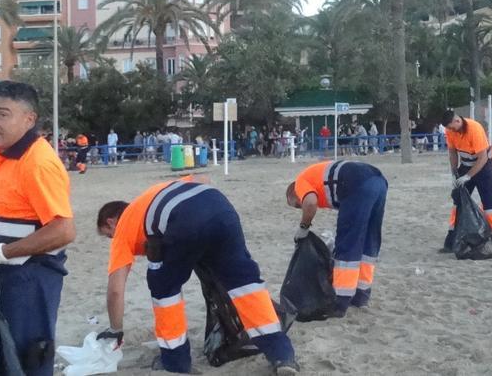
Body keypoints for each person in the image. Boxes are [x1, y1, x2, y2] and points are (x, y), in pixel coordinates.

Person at [96, 177, 299, 374]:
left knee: (164, 290)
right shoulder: (152, 195)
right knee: (245, 285)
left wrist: (116, 329)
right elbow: (204, 179)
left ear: (112, 221)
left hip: (184, 220)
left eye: (108, 234)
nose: (111, 239)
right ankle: (282, 354)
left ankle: (175, 362)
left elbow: (115, 290)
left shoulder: (123, 229)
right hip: (221, 208)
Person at [0, 81, 75, 375]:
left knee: (28, 356)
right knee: (4, 356)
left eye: (2, 114)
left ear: (29, 119)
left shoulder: (36, 162)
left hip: (29, 280)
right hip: (2, 277)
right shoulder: (2, 155)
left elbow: (63, 230)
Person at [286, 160, 386, 315]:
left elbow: (310, 203)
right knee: (369, 240)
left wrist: (303, 227)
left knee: (347, 244)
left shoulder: (300, 182)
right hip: (378, 181)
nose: (301, 207)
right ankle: (361, 295)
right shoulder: (315, 177)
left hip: (356, 184)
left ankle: (340, 301)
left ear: (293, 193)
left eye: (297, 205)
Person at [441, 109, 492, 252]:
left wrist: (468, 176)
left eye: (452, 127)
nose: (451, 131)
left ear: (457, 121)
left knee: (490, 205)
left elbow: (482, 158)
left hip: (483, 166)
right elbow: (452, 152)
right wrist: (455, 173)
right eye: (449, 129)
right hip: (465, 165)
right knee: (458, 202)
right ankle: (451, 239)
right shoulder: (450, 130)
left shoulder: (474, 129)